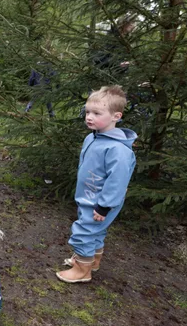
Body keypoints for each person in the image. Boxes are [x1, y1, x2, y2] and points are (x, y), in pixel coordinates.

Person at [57, 85, 137, 283]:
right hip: (89, 195)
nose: (89, 117)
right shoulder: (92, 137)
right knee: (96, 230)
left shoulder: (118, 150)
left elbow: (117, 181)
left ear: (116, 116)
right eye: (87, 112)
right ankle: (92, 260)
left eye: (97, 113)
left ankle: (82, 270)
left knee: (84, 230)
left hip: (101, 201)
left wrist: (104, 206)